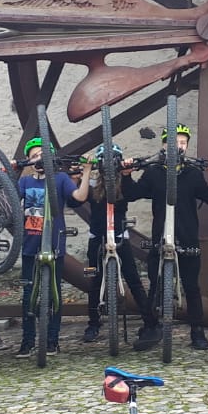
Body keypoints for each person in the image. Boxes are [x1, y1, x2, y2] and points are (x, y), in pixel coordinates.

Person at [128, 123, 208, 350]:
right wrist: (126, 174)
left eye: (182, 142)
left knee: (191, 286)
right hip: (160, 234)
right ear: (163, 145)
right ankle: (151, 326)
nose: (177, 146)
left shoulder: (192, 173)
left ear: (186, 146)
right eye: (172, 142)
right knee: (155, 283)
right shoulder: (154, 172)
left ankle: (197, 331)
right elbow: (133, 194)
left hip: (187, 233)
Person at [74, 144, 161, 349]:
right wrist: (84, 172)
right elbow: (78, 199)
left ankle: (150, 321)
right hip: (97, 237)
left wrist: (127, 173)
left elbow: (134, 194)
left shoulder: (123, 185)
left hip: (120, 236)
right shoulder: (94, 184)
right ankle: (93, 323)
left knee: (133, 279)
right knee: (93, 279)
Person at [16, 137, 83, 356]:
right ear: (29, 160)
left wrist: (88, 171)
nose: (39, 158)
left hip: (54, 242)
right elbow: (11, 204)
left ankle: (52, 340)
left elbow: (78, 197)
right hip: (30, 243)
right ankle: (27, 341)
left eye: (43, 154)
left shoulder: (61, 179)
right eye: (34, 155)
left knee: (54, 294)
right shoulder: (25, 183)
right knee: (28, 295)